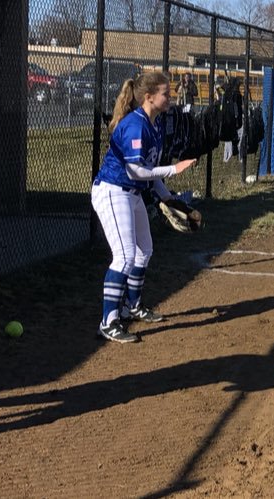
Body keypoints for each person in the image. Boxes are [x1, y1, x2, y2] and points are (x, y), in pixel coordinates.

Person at [91, 70, 195, 344]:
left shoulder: (155, 123)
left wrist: (168, 198)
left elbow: (148, 171)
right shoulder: (135, 124)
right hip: (113, 191)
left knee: (144, 250)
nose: (170, 96)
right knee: (124, 256)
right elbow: (136, 170)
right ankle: (108, 321)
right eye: (165, 93)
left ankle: (131, 306)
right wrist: (174, 169)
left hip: (132, 193)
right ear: (149, 97)